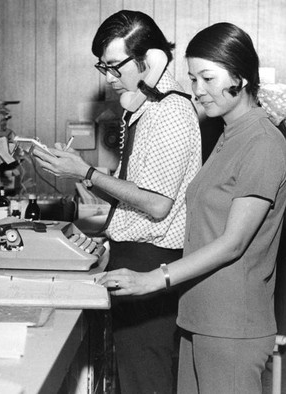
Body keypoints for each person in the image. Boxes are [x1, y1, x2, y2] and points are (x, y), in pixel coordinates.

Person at [98, 22, 286, 394]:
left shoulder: (262, 142)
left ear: (242, 76)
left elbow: (233, 242)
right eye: (192, 78)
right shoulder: (226, 134)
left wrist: (155, 277)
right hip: (198, 314)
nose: (198, 91)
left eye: (208, 78)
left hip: (233, 324)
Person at [33, 10, 201, 394]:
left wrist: (86, 174)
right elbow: (140, 191)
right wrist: (75, 170)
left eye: (114, 66)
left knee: (146, 380)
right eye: (102, 67)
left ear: (151, 59)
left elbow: (157, 205)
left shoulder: (170, 112)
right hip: (133, 254)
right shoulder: (144, 108)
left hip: (152, 262)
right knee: (131, 377)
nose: (108, 77)